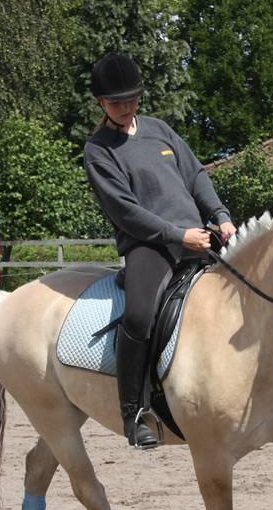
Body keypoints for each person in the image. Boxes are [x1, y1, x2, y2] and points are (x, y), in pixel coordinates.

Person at [84, 52, 237, 448]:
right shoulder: (99, 150)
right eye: (117, 102)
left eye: (132, 100)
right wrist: (175, 235)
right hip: (148, 245)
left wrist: (219, 214)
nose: (126, 108)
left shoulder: (160, 130)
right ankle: (134, 412)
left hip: (197, 236)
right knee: (139, 315)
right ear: (100, 103)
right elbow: (124, 210)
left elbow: (196, 174)